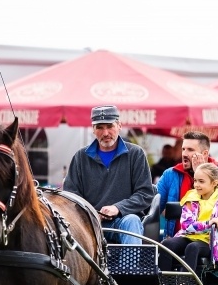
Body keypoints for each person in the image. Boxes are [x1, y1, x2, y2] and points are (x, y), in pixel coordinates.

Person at [63, 105, 154, 245]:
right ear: (93, 130)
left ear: (119, 126)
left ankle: (130, 268)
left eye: (110, 126)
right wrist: (91, 214)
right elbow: (70, 196)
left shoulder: (136, 154)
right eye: (99, 127)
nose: (105, 133)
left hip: (123, 221)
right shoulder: (80, 157)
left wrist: (118, 208)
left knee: (132, 221)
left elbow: (145, 194)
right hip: (89, 224)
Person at [158, 163, 218, 273]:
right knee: (167, 244)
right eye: (195, 181)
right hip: (188, 236)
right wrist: (209, 223)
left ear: (214, 183)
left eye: (201, 181)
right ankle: (162, 284)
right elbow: (186, 225)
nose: (196, 185)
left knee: (193, 247)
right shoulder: (190, 198)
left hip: (210, 242)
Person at [156, 131, 218, 240]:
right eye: (183, 149)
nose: (184, 154)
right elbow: (154, 208)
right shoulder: (170, 174)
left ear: (205, 154)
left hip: (209, 243)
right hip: (175, 240)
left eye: (190, 150)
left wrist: (201, 172)